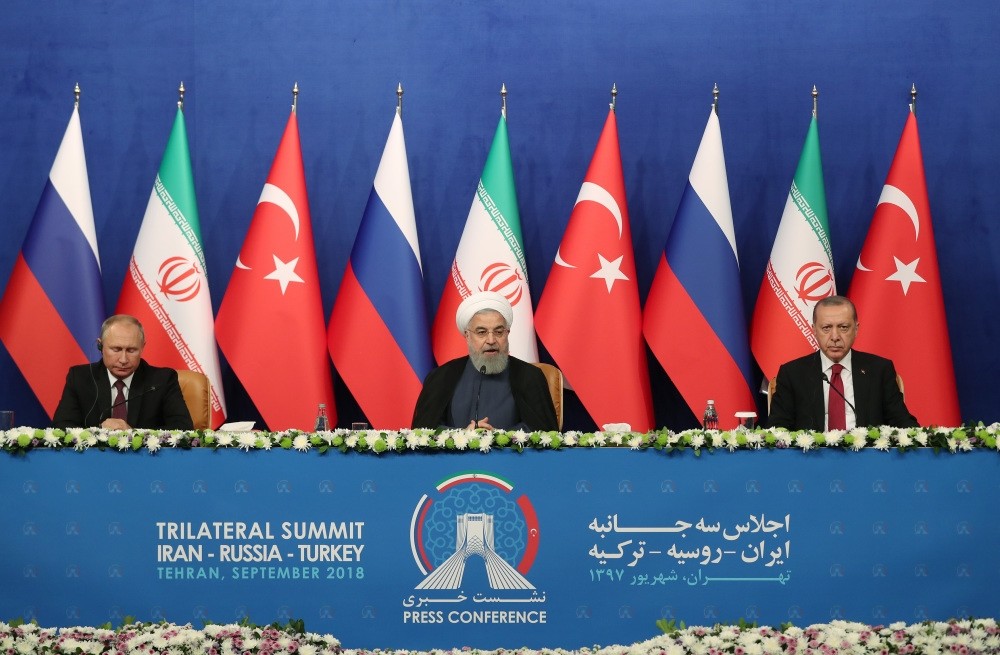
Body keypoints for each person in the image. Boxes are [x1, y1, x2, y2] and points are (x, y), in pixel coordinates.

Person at [412, 291, 558, 431]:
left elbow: (544, 433)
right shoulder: (441, 377)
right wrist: (461, 436)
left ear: (507, 333)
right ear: (467, 335)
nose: (491, 340)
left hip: (512, 457)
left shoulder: (530, 376)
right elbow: (424, 431)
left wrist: (497, 438)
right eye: (481, 332)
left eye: (498, 332)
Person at [767, 295, 918, 431]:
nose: (835, 336)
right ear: (814, 330)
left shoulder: (879, 370)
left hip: (866, 459)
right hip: (812, 459)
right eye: (826, 328)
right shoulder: (793, 373)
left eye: (843, 327)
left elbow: (902, 423)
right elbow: (778, 429)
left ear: (856, 329)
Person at [52, 315, 194, 430]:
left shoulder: (162, 380)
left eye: (131, 350)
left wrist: (133, 434)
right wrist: (99, 430)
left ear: (142, 347)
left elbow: (183, 428)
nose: (123, 359)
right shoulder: (80, 378)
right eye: (116, 349)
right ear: (100, 346)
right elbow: (61, 427)